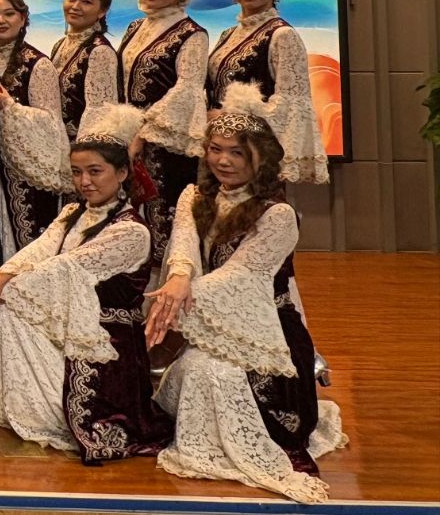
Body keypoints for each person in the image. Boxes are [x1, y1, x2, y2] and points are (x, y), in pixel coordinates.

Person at [145, 84, 346, 503]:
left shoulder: (278, 214)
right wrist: (178, 278)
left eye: (237, 152)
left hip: (268, 327)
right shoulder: (193, 196)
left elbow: (241, 276)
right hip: (212, 315)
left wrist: (179, 300)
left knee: (214, 374)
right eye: (216, 149)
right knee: (196, 371)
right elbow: (183, 246)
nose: (223, 160)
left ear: (260, 158)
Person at [0, 104, 172, 464]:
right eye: (77, 172)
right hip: (68, 319)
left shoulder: (132, 232)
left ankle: (53, 412)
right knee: (5, 312)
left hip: (107, 338)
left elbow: (64, 268)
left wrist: (6, 285)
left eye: (95, 171)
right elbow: (40, 250)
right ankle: (25, 407)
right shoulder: (73, 212)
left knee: (11, 303)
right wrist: (0, 277)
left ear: (122, 173)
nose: (84, 181)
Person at [206, 0, 332, 384]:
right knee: (228, 252)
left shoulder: (281, 36)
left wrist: (238, 116)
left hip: (258, 165)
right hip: (225, 163)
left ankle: (299, 350)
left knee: (267, 258)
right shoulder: (227, 35)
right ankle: (238, 344)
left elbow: (292, 104)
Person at [206, 0, 328, 185]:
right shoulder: (228, 34)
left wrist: (230, 117)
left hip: (256, 159)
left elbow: (291, 108)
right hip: (221, 157)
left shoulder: (282, 35)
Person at [119, 0, 209, 263]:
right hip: (130, 140)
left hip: (167, 145)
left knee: (166, 218)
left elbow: (187, 89)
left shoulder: (192, 34)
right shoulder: (134, 27)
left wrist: (144, 134)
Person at [0, 0, 70, 252]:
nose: (1, 20)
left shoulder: (38, 65)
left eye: (9, 13)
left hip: (28, 174)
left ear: (22, 18)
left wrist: (9, 107)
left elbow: (51, 124)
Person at [49, 0, 126, 144]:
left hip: (81, 148)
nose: (75, 6)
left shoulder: (100, 52)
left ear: (102, 11)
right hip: (58, 143)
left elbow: (99, 114)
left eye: (86, 2)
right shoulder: (59, 44)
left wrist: (81, 153)